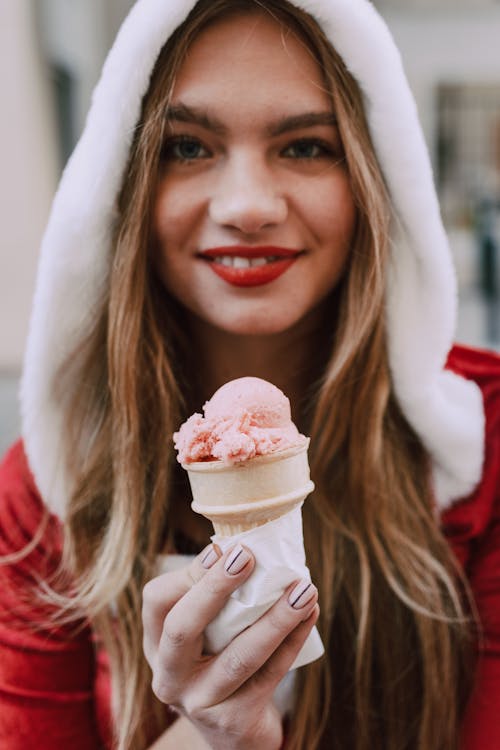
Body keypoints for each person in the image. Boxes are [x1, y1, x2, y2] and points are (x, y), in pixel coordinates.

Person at [1, 0, 499, 748]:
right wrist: (218, 738)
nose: (247, 208)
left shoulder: (484, 440)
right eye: (186, 147)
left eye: (304, 147)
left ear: (376, 176)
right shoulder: (45, 487)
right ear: (120, 184)